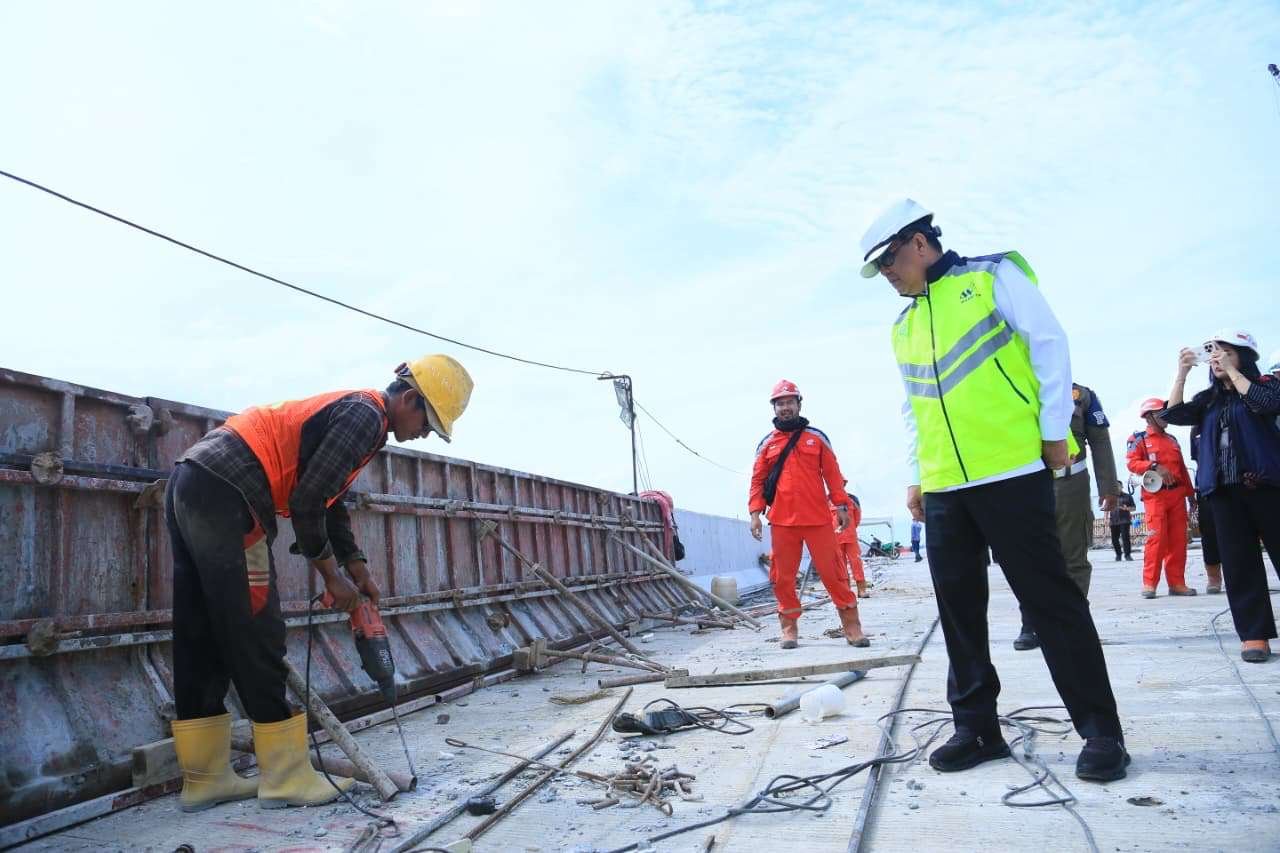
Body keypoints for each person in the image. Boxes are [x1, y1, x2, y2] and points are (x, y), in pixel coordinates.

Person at [860, 198, 1126, 781]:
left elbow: (1049, 344)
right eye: (878, 268)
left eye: (889, 262)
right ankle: (977, 729)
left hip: (1009, 472)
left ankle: (1102, 732)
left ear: (920, 244)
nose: (886, 275)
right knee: (958, 611)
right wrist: (917, 474)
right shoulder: (903, 326)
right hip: (946, 489)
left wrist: (1054, 430)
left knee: (1050, 602)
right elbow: (915, 408)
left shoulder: (991, 276)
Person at [165, 355, 473, 811]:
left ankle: (205, 779)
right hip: (229, 494)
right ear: (409, 398)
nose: (425, 435)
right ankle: (287, 778)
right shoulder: (366, 417)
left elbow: (329, 502)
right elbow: (307, 501)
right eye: (428, 424)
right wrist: (332, 576)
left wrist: (356, 565)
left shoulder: (355, 414)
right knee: (257, 633)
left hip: (191, 481)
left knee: (201, 633)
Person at [1162, 330, 1280, 663]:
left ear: (1244, 356)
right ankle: (1254, 635)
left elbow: (1267, 404)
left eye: (1226, 352)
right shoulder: (1209, 400)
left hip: (1267, 486)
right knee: (1240, 565)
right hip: (1223, 492)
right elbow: (1173, 415)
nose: (1216, 359)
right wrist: (1182, 373)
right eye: (1213, 354)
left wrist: (1234, 373)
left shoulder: (1267, 386)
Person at [749, 380, 869, 648]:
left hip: (817, 520)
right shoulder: (766, 445)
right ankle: (789, 629)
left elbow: (833, 476)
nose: (785, 407)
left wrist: (841, 506)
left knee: (834, 574)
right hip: (782, 521)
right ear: (774, 408)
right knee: (782, 577)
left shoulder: (817, 438)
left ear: (799, 404)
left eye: (790, 402)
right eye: (780, 403)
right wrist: (756, 514)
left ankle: (852, 626)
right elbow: (757, 481)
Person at [1014, 382, 1120, 651]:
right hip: (1027, 486)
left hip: (1071, 485)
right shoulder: (1016, 384)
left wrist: (1108, 487)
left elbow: (1099, 440)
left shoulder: (1081, 395)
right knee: (1029, 558)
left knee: (1073, 557)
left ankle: (1074, 622)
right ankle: (1032, 623)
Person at [1125, 398, 1196, 598]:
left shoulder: (1172, 440)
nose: (1165, 417)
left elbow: (1182, 469)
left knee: (1178, 541)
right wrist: (1153, 466)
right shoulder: (1138, 439)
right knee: (1156, 540)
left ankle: (1177, 583)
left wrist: (1190, 495)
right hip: (1154, 496)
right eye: (1160, 413)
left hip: (1177, 496)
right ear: (1149, 416)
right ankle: (1149, 584)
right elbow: (1132, 464)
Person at [832, 489, 870, 598]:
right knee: (840, 566)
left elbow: (857, 517)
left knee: (856, 563)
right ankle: (845, 591)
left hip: (851, 538)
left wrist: (851, 529)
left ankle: (861, 589)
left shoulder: (853, 499)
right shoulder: (827, 499)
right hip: (835, 539)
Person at [1109, 483, 1136, 561]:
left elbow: (1134, 508)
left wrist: (1126, 508)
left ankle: (1127, 555)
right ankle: (1118, 554)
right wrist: (1106, 518)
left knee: (1125, 538)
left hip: (1124, 520)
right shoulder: (1110, 497)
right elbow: (1106, 508)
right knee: (1114, 539)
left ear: (1122, 487)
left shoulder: (1128, 496)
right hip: (1113, 520)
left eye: (1118, 486)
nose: (1117, 488)